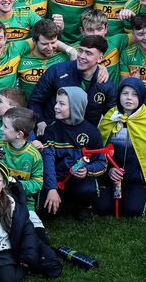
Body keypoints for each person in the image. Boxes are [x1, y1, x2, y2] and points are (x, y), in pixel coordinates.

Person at [96, 78, 146, 217]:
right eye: (125, 93)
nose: (129, 98)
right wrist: (109, 170)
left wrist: (139, 175)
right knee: (103, 209)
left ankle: (136, 192)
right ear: (118, 95)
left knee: (133, 211)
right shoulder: (111, 115)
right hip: (110, 175)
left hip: (135, 177)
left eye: (134, 94)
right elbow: (99, 147)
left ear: (141, 96)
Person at [41, 87, 106, 221]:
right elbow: (48, 162)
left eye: (62, 104)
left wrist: (87, 170)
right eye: (56, 102)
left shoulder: (92, 132)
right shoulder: (51, 130)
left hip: (80, 180)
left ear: (76, 107)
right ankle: (63, 201)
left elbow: (102, 163)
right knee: (47, 212)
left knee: (87, 190)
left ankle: (84, 206)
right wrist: (52, 188)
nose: (56, 107)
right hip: (58, 179)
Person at [29, 35, 116, 133]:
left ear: (100, 59)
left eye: (88, 53)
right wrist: (40, 121)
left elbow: (111, 118)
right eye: (80, 51)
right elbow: (35, 101)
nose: (81, 56)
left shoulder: (106, 85)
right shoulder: (57, 71)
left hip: (84, 139)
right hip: (52, 135)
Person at [16, 19, 69, 100]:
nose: (50, 48)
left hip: (54, 109)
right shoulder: (21, 61)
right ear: (34, 41)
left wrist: (71, 51)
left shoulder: (65, 58)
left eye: (53, 42)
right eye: (44, 44)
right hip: (29, 109)